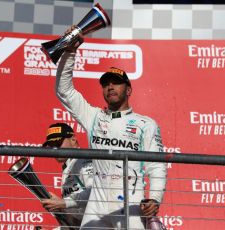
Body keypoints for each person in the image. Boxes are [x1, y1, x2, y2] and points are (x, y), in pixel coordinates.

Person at [53, 28, 168, 229]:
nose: (110, 87)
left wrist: (155, 198)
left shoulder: (146, 124)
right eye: (106, 84)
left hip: (131, 201)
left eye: (116, 83)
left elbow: (157, 166)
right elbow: (64, 90)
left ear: (129, 90)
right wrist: (70, 52)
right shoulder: (94, 117)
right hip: (96, 203)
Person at [40, 123, 93, 228]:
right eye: (51, 146)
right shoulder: (68, 166)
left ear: (73, 139)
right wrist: (62, 209)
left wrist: (63, 203)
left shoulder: (82, 160)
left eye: (58, 144)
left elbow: (94, 192)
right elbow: (76, 220)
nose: (54, 149)